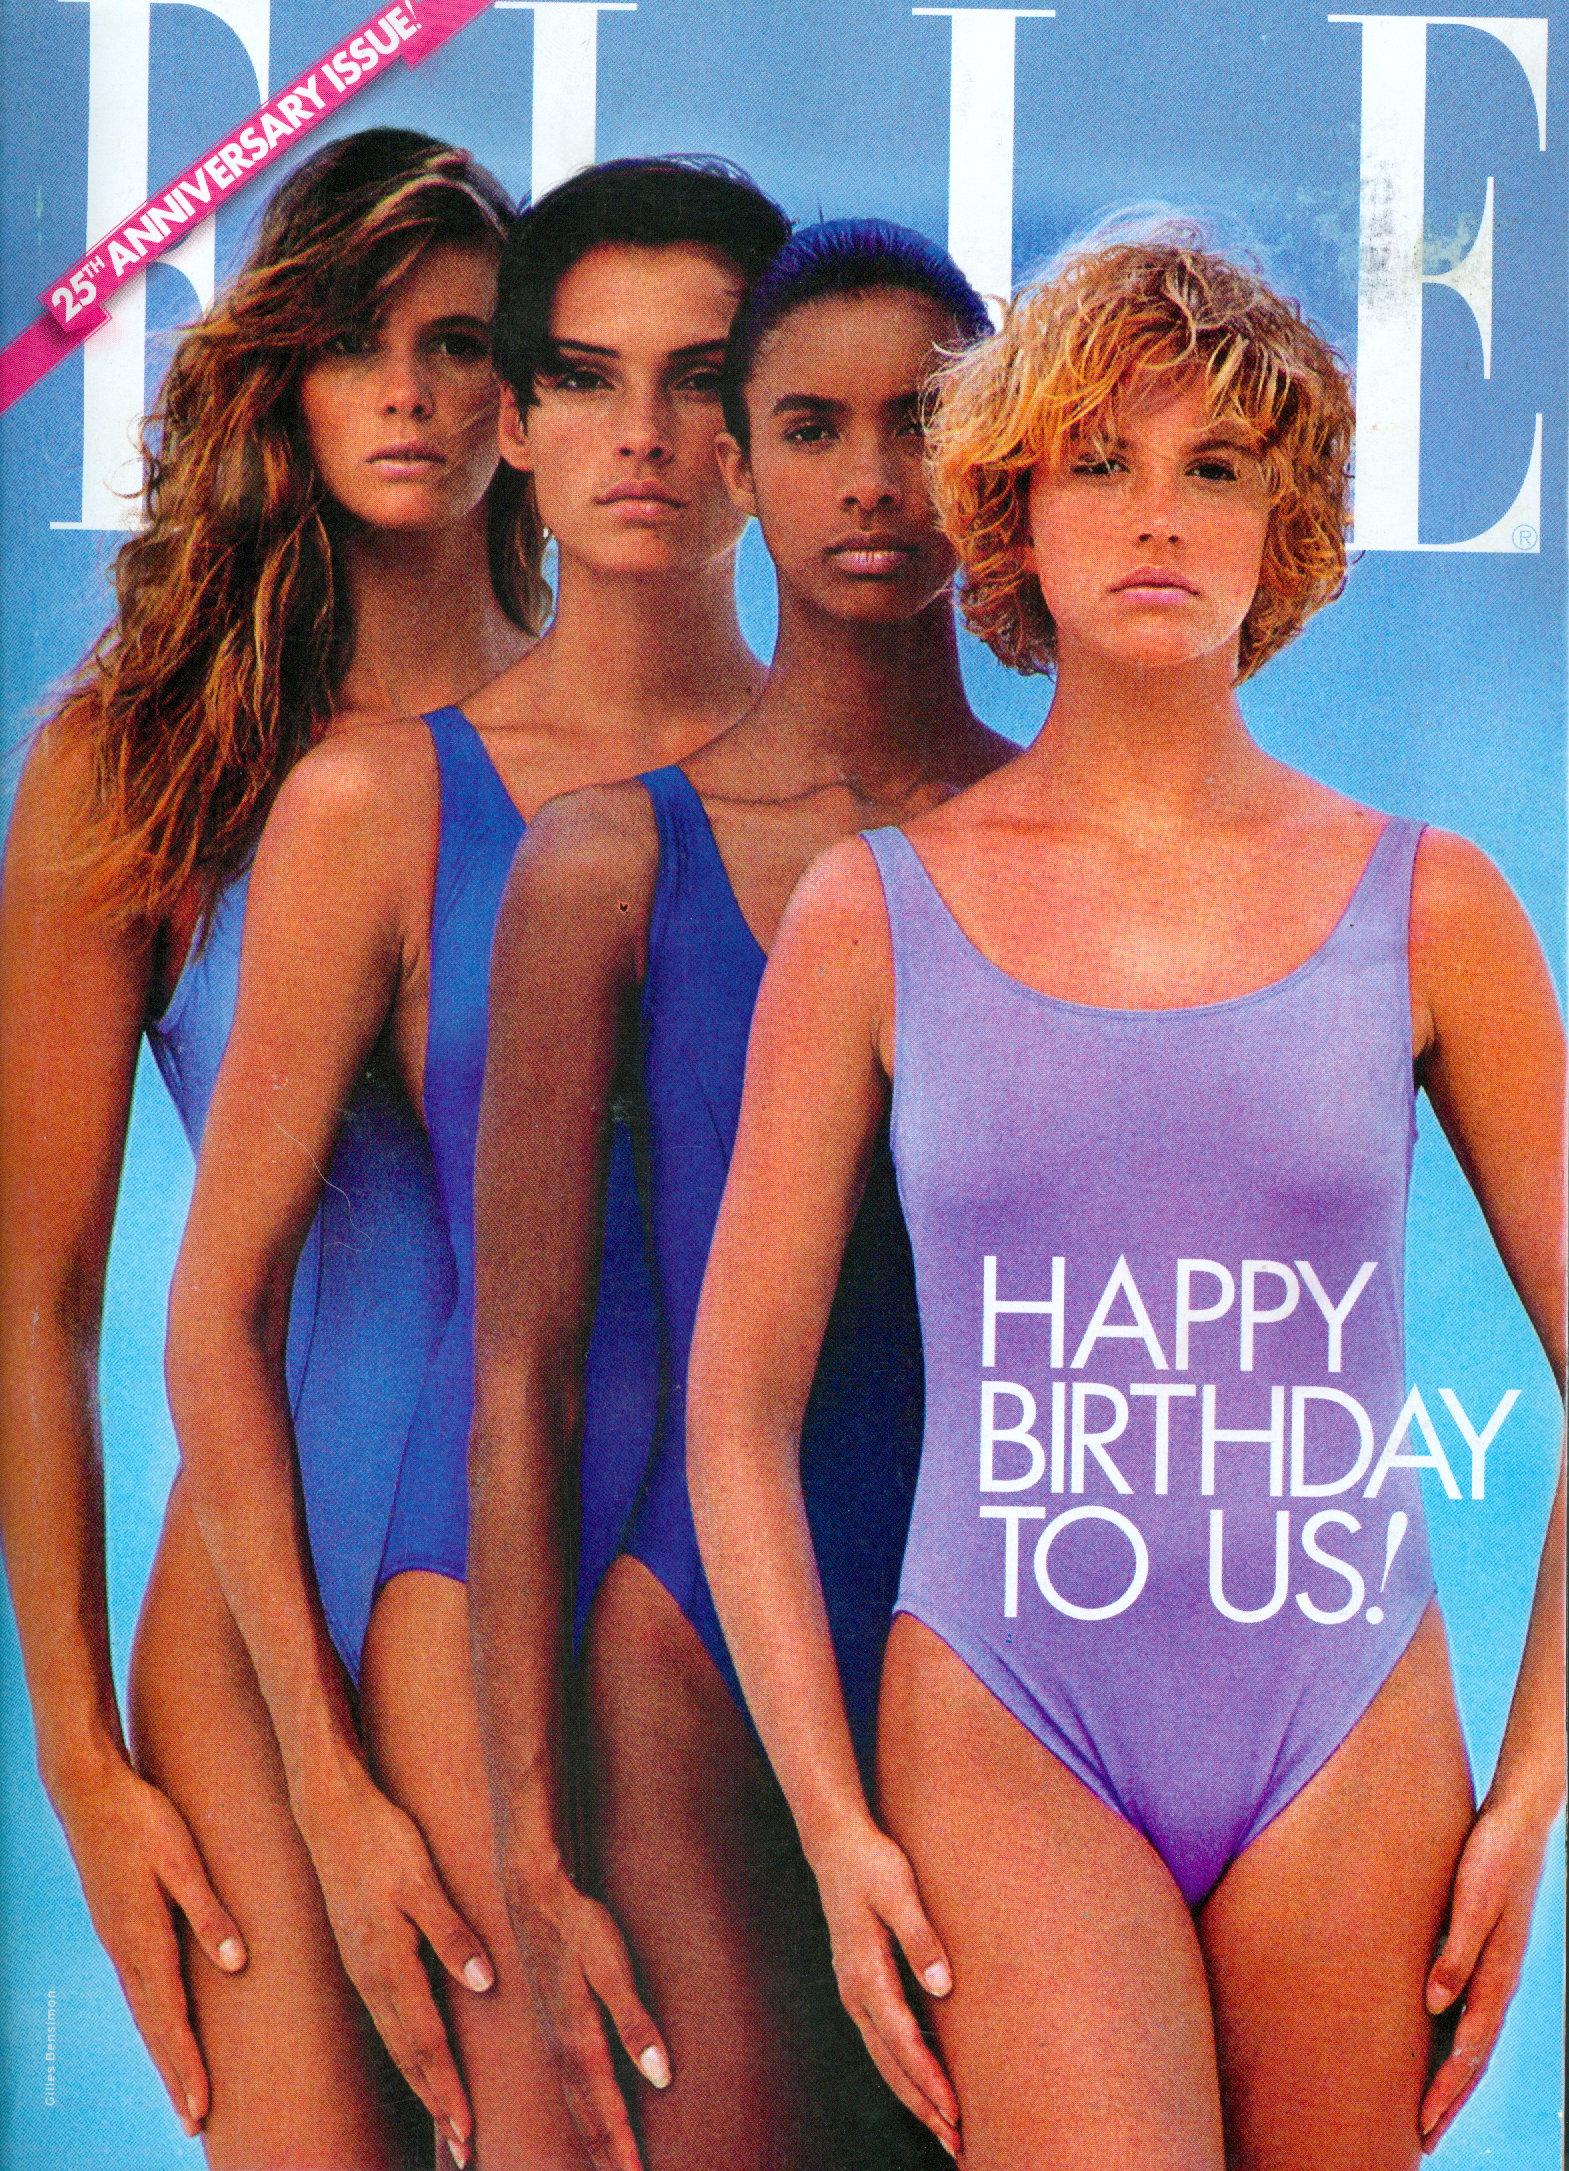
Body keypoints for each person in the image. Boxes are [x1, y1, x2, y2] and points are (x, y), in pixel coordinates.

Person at [686, 234, 1566, 2169]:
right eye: (1100, 461)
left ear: (1286, 524)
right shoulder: (873, 915)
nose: (1158, 513)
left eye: (1215, 466)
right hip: (1004, 1710)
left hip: (1345, 1716)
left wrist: (1532, 1792)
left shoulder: (1432, 904)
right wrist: (832, 1828)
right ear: (1008, 512)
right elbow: (734, 1410)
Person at [164, 158, 790, 2170]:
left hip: (794, 1574)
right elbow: (213, 1315)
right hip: (466, 1572)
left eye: (706, 379)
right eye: (585, 379)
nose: (644, 435)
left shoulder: (886, 807)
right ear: (519, 423)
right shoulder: (380, 804)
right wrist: (327, 1788)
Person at [0, 128, 540, 2167]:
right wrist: (81, 1763)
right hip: (248, 1642)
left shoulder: (634, 746)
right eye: (352, 342)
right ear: (280, 380)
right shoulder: (139, 758)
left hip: (561, 1620)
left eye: (459, 343)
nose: (407, 391)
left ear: (526, 394)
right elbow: (39, 1303)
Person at [469, 220, 1012, 2171]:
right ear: (733, 461)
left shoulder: (1075, 850)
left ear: (994, 457)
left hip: (1013, 1660)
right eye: (807, 427)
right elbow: (521, 1374)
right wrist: (530, 1854)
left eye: (919, 424)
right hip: (689, 1665)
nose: (870, 480)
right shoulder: (608, 863)